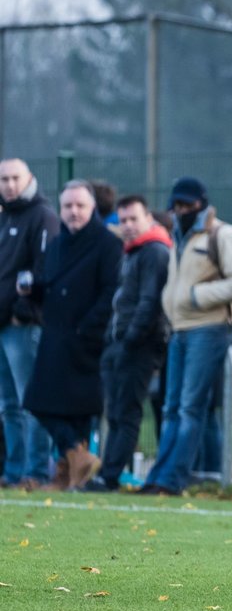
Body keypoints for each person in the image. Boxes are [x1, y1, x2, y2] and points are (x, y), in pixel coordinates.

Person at [141, 176, 232, 496]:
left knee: (191, 407)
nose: (180, 211)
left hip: (209, 328)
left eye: (186, 205)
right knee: (172, 406)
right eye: (176, 206)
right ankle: (159, 475)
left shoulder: (224, 234)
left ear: (201, 204)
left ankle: (171, 479)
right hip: (180, 330)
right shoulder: (179, 235)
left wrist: (195, 296)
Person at [23, 180, 122, 489]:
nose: (73, 212)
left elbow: (110, 291)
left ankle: (70, 469)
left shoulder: (107, 244)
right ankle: (73, 461)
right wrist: (33, 290)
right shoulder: (56, 244)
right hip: (56, 334)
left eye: (80, 205)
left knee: (76, 409)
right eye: (67, 206)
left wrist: (88, 327)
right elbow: (51, 284)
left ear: (92, 208)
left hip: (86, 338)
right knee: (39, 401)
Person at [85, 195, 171, 492]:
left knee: (127, 411)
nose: (128, 226)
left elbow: (149, 302)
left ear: (148, 218)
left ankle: (109, 476)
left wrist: (130, 339)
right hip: (119, 341)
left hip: (138, 345)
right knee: (117, 412)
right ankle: (107, 473)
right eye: (123, 221)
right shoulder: (132, 252)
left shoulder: (155, 252)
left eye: (134, 219)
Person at [0, 157, 58, 487]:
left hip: (24, 327)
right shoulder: (5, 216)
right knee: (8, 405)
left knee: (31, 402)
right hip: (2, 326)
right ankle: (13, 471)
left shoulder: (43, 216)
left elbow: (44, 269)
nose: (9, 184)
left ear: (29, 179)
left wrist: (22, 309)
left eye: (14, 178)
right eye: (4, 178)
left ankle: (37, 471)